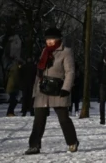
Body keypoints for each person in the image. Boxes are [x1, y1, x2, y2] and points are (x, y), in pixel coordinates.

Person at [25, 27, 79, 155]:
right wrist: (34, 92)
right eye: (47, 39)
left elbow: (70, 71)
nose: (49, 41)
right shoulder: (44, 51)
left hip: (58, 89)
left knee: (63, 119)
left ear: (58, 39)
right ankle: (34, 145)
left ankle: (72, 142)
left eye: (52, 39)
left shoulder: (66, 52)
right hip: (42, 89)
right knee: (38, 119)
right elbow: (39, 73)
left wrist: (66, 88)